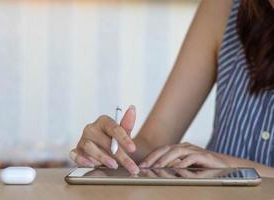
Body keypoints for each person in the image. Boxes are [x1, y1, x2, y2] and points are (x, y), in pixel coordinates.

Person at [70, 0, 274, 177]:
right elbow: (154, 141)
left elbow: (225, 165)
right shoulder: (222, 8)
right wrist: (114, 150)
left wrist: (230, 165)